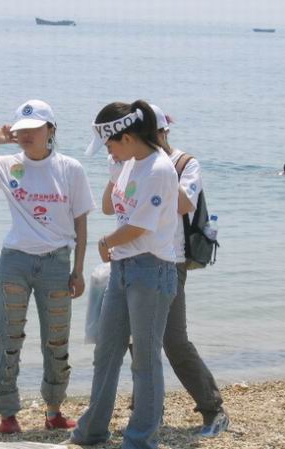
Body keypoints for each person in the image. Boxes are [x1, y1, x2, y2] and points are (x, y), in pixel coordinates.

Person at [0, 99, 95, 433]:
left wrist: (78, 270)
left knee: (56, 341)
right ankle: (7, 414)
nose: (26, 135)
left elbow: (81, 224)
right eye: (21, 130)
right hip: (14, 262)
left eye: (34, 129)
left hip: (57, 263)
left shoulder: (70, 168)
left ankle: (54, 410)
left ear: (51, 129)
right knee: (9, 338)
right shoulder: (8, 164)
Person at [70, 101, 178, 449]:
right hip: (122, 267)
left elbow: (140, 226)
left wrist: (106, 241)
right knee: (106, 352)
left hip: (152, 269)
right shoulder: (130, 162)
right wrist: (116, 169)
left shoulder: (159, 169)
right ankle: (92, 431)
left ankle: (140, 440)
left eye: (110, 144)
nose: (108, 151)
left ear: (128, 137)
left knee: (144, 360)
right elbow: (108, 207)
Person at [150, 104, 229, 437]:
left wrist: (157, 168)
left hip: (172, 260)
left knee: (174, 341)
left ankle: (213, 409)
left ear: (164, 132)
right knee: (136, 340)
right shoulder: (132, 162)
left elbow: (184, 204)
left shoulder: (185, 164)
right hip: (137, 258)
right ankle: (148, 410)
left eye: (152, 134)